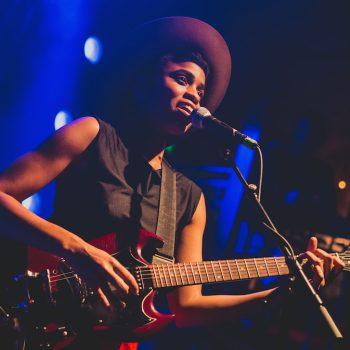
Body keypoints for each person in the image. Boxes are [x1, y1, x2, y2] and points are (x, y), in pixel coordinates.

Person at [0, 17, 345, 349]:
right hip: (32, 312)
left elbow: (188, 307)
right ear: (142, 82)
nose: (195, 95)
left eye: (201, 89)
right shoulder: (91, 134)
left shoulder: (188, 198)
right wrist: (77, 250)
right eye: (182, 79)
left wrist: (278, 293)